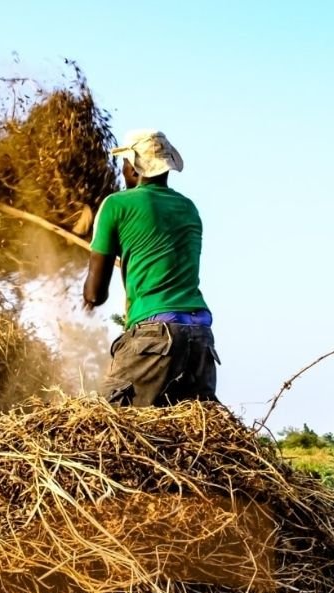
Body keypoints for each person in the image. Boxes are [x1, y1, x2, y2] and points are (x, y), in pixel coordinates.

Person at [80, 129, 218, 406]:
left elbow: (96, 293)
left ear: (133, 166)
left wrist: (88, 297)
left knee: (110, 424)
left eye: (124, 164)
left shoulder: (116, 205)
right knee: (186, 434)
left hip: (155, 334)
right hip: (199, 335)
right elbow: (159, 255)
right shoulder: (188, 208)